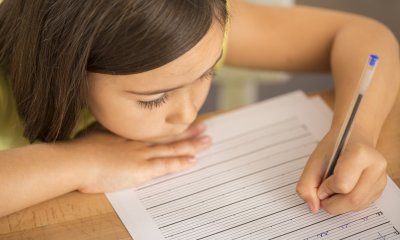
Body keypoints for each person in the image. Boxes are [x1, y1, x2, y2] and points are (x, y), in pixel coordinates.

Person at [0, 0, 398, 218]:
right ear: (62, 67)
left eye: (209, 71)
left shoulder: (195, 18)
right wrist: (77, 162)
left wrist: (357, 130)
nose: (188, 114)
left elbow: (363, 35)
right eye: (154, 98)